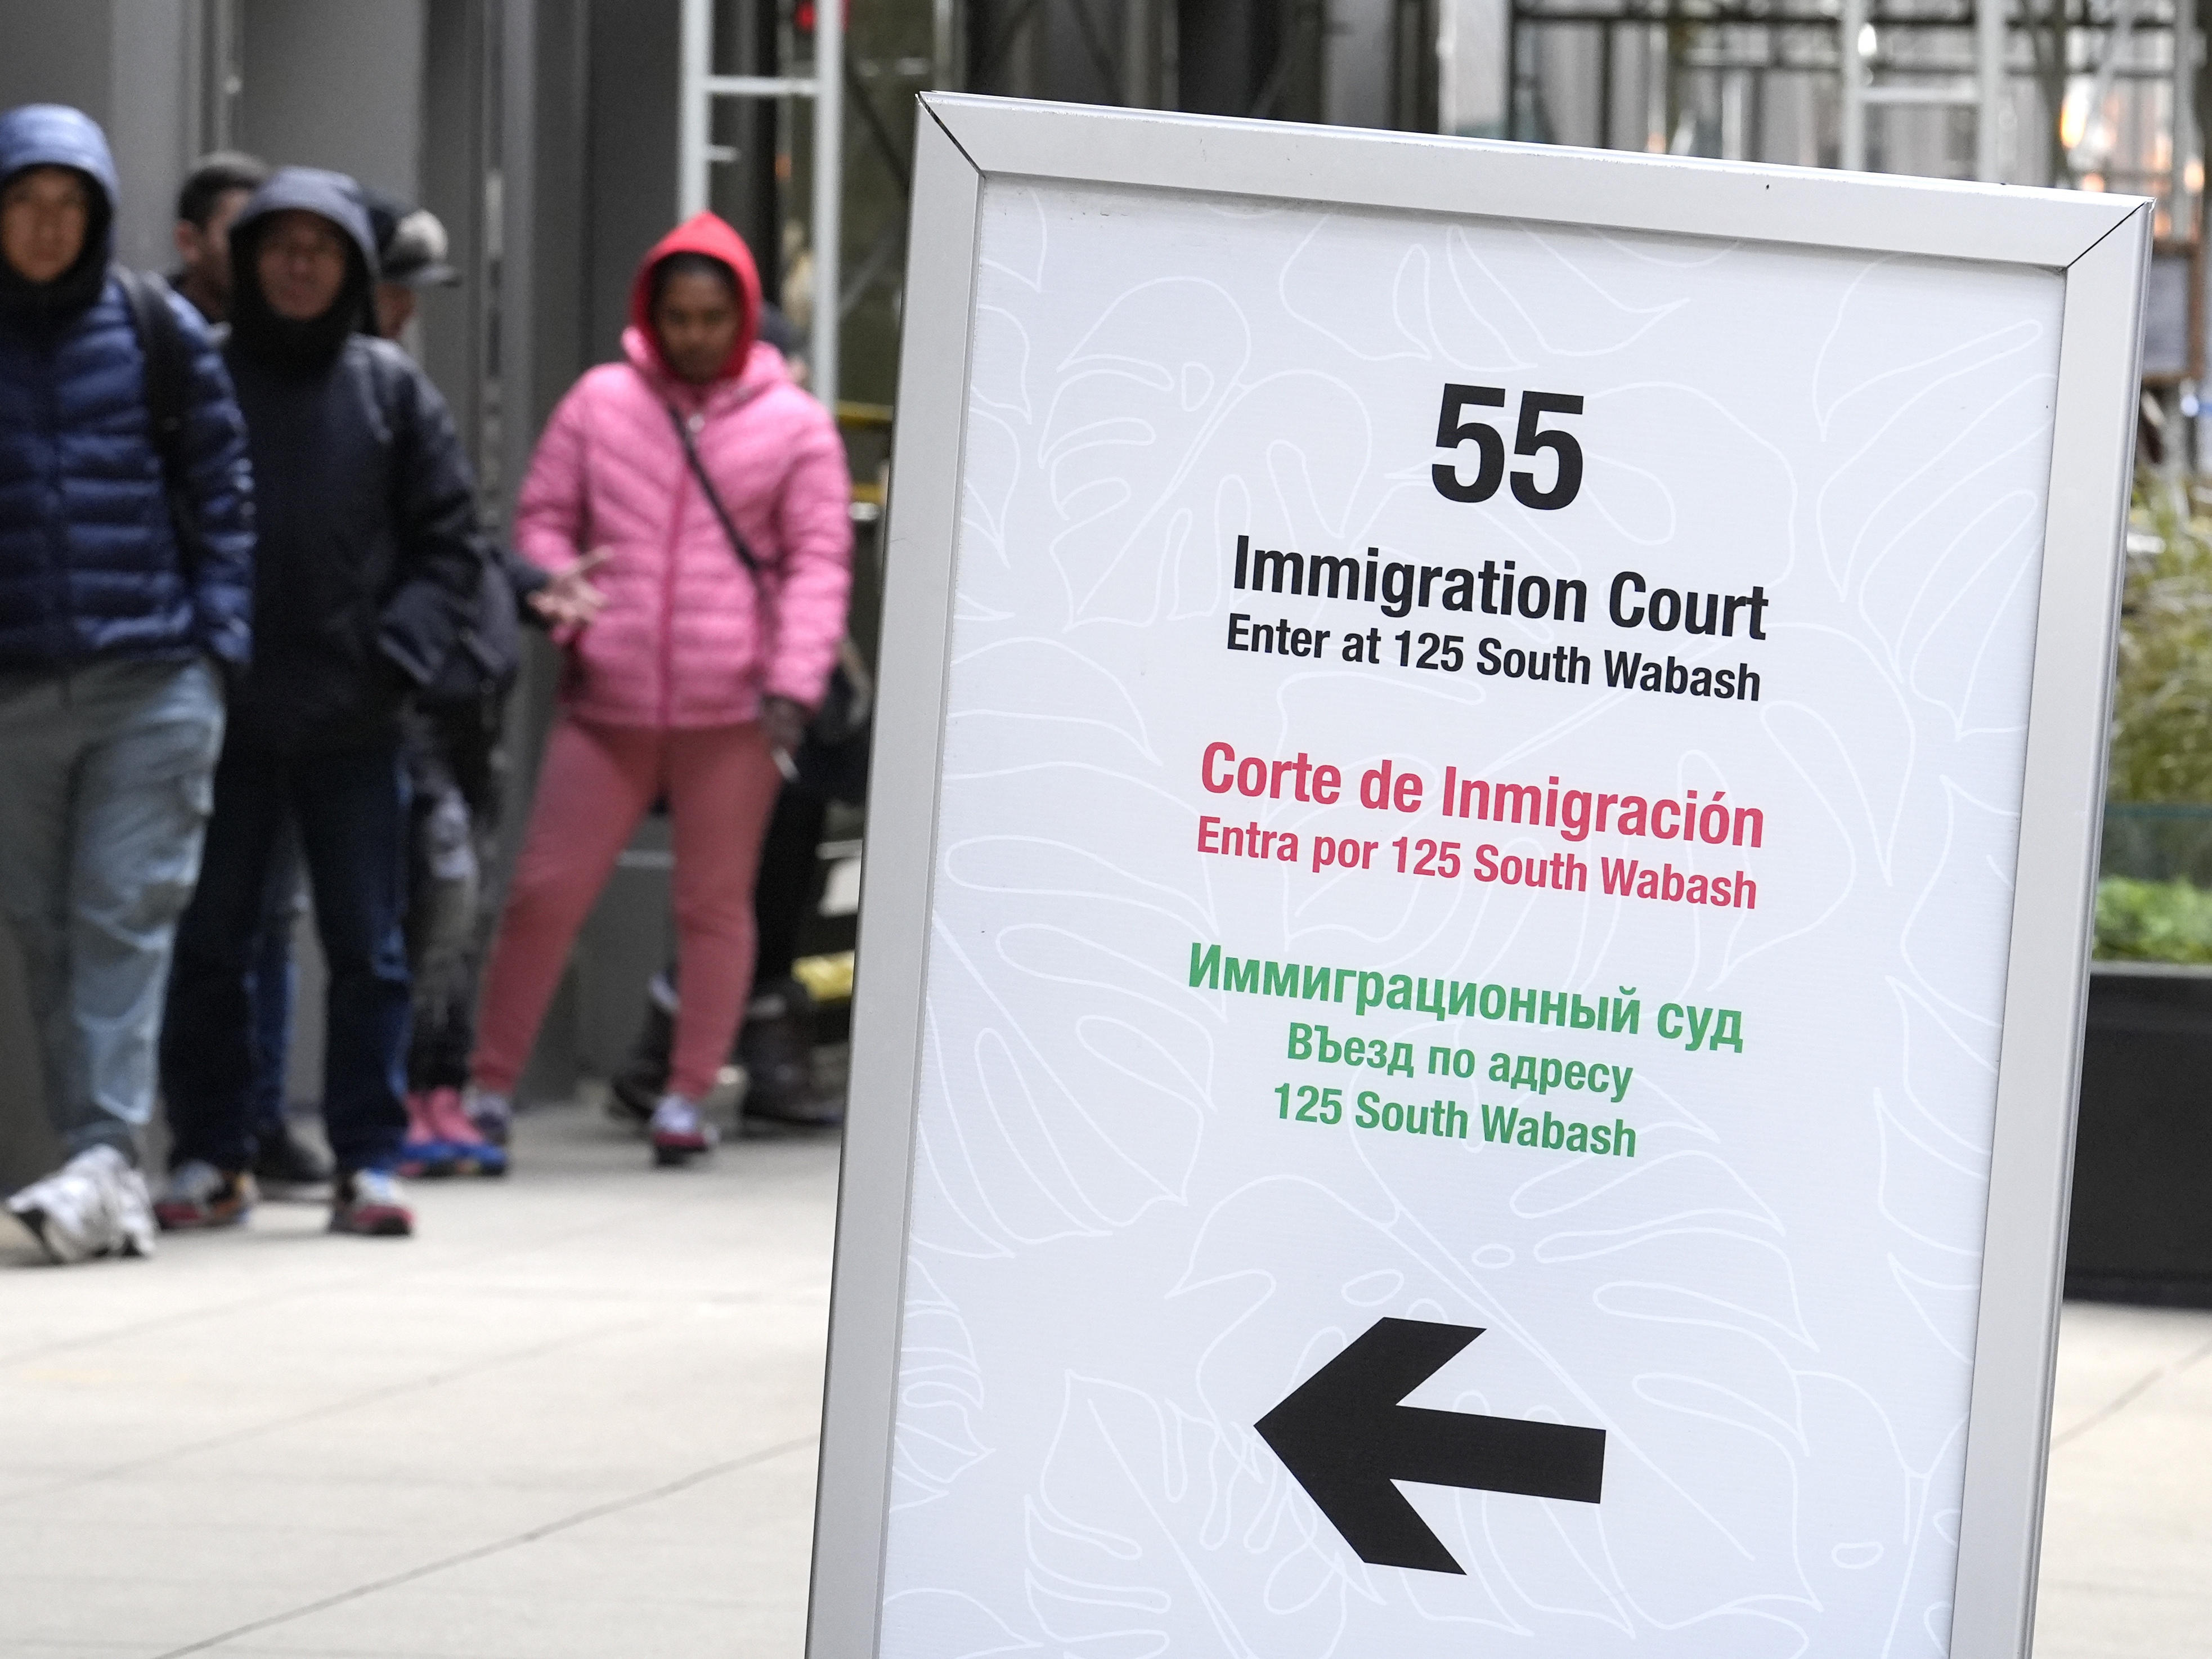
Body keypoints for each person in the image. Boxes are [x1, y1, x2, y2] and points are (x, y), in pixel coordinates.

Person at [465, 211, 851, 1165]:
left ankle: (686, 1096)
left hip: (734, 704)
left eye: (712, 316)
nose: (692, 334)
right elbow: (543, 515)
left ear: (744, 316)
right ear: (652, 311)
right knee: (545, 892)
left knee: (715, 903)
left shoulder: (794, 424)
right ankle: (488, 1084)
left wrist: (793, 681)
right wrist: (565, 590)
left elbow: (818, 560)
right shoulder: (603, 401)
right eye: (677, 315)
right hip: (611, 695)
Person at [158, 168, 486, 1239]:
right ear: (247, 262)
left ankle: (369, 1159)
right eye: (279, 247)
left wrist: (395, 657)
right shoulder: (199, 374)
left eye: (323, 249)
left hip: (355, 718)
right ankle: (213, 1151)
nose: (300, 266)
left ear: (350, 267)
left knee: (369, 949)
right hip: (228, 714)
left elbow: (451, 544)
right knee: (211, 943)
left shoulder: (391, 390)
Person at [0, 105, 253, 1265]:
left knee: (119, 913)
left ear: (98, 218)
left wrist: (218, 644)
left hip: (152, 679)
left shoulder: (155, 328)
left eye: (69, 206)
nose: (47, 227)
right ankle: (102, 1166)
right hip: (15, 696)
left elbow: (224, 487)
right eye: (25, 202)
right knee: (49, 931)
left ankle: (103, 1153)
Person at [169, 150, 268, 326]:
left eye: (264, 237)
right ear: (188, 242)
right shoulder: (145, 332)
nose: (254, 251)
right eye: (239, 235)